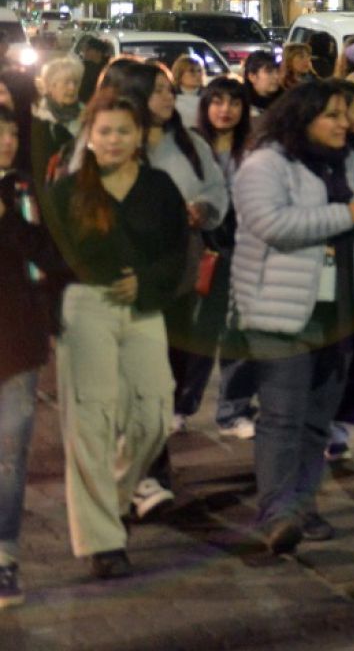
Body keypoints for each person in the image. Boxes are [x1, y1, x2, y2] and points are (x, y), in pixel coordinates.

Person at [231, 80, 354, 555]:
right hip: (280, 311)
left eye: (345, 114)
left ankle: (303, 505)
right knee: (283, 416)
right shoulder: (266, 163)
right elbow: (274, 225)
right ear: (302, 117)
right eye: (332, 114)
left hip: (340, 308)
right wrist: (353, 212)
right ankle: (277, 512)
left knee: (316, 420)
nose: (343, 123)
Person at [43, 92, 190, 577]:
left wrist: (146, 283)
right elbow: (47, 259)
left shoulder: (160, 186)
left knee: (154, 414)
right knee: (91, 421)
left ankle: (113, 496)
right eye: (104, 131)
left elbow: (178, 252)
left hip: (145, 309)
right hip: (85, 309)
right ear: (89, 134)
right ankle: (103, 542)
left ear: (139, 137)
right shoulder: (67, 192)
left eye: (123, 131)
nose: (112, 140)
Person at [108, 63, 227, 515]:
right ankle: (148, 477)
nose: (167, 98)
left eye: (169, 90)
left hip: (181, 279)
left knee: (171, 376)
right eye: (158, 90)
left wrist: (205, 209)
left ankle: (140, 468)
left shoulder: (189, 144)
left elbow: (217, 190)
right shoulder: (115, 141)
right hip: (130, 281)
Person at [0, 105, 68, 607]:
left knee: (8, 454)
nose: (5, 142)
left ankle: (4, 557)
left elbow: (48, 253)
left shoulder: (26, 190)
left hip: (17, 339)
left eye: (9, 134)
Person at [182, 78, 261, 438]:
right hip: (203, 248)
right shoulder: (190, 147)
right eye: (216, 101)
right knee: (199, 329)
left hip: (245, 248)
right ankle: (180, 405)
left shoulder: (255, 148)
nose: (224, 110)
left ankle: (234, 409)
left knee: (239, 331)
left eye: (233, 102)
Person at [30, 56, 82, 189]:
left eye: (75, 83)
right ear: (50, 86)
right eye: (66, 83)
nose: (72, 88)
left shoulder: (87, 115)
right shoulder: (37, 117)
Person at [242, 51, 284, 116]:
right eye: (269, 72)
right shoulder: (240, 105)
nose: (276, 76)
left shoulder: (286, 101)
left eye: (277, 71)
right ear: (252, 76)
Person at [171, 53, 207, 129]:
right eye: (192, 71)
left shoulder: (208, 94)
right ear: (179, 74)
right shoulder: (171, 95)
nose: (198, 75)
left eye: (199, 71)